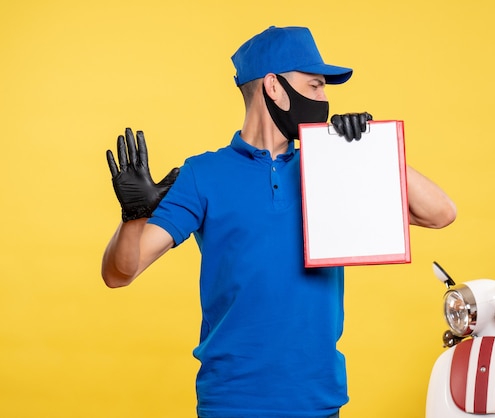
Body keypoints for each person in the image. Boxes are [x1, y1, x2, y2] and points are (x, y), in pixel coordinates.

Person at [102, 25, 456, 418]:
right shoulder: (203, 174)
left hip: (317, 400)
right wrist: (134, 217)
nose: (324, 99)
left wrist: (368, 148)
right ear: (273, 87)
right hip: (231, 402)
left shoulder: (330, 167)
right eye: (316, 85)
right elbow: (121, 273)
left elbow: (440, 212)